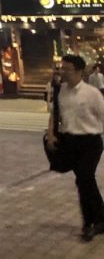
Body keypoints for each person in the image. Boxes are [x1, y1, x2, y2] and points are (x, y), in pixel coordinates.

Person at [47, 54, 104, 242]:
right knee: (83, 181)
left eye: (67, 69)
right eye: (61, 68)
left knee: (85, 176)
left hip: (91, 143)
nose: (62, 72)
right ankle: (96, 220)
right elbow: (55, 114)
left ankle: (90, 223)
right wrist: (52, 134)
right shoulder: (60, 90)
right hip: (70, 142)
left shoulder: (92, 93)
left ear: (79, 71)